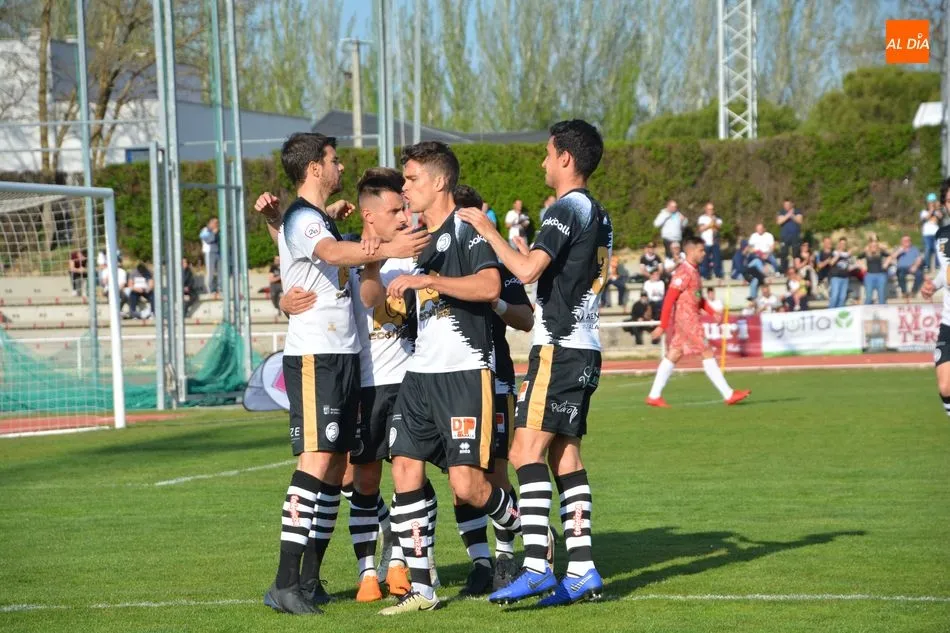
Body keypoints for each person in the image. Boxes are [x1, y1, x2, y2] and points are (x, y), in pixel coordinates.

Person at [254, 132, 428, 616]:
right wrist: (390, 247)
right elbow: (330, 255)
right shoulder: (304, 217)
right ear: (314, 167)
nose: (341, 168)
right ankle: (284, 582)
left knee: (333, 467)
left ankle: (308, 579)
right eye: (333, 161)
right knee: (314, 463)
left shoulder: (315, 221)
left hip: (343, 357)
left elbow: (317, 256)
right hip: (316, 357)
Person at [458, 119, 612, 607]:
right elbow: (563, 273)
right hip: (585, 344)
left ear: (566, 158)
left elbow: (525, 273)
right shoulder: (599, 212)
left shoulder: (566, 207)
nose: (543, 162)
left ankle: (536, 565)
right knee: (565, 455)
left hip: (560, 348)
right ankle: (583, 569)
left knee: (524, 452)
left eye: (547, 154)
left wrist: (487, 229)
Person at [380, 141, 521, 615]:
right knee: (404, 468)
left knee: (468, 487)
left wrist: (430, 282)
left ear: (440, 181)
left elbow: (490, 287)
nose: (406, 187)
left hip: (465, 373)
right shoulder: (419, 239)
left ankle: (528, 532)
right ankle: (423, 591)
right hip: (420, 374)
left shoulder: (467, 226)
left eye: (413, 178)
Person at [453, 183, 536, 594]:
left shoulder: (495, 262)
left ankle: (505, 558)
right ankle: (479, 564)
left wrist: (496, 304)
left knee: (496, 471)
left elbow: (526, 318)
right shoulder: (436, 256)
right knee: (461, 474)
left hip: (496, 377)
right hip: (450, 381)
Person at [646, 237, 751, 408]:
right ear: (691, 251)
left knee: (675, 353)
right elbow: (669, 298)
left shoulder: (694, 271)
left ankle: (654, 395)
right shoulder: (684, 272)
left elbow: (697, 298)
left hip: (688, 319)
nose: (704, 253)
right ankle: (728, 393)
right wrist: (663, 325)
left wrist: (711, 311)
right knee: (706, 351)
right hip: (688, 320)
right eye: (701, 250)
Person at [919, 215, 950, 418]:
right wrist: (934, 285)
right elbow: (945, 273)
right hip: (949, 321)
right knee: (946, 386)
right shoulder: (943, 235)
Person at [776, 198, 803, 275]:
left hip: (795, 236)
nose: (786, 206)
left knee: (796, 253)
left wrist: (792, 215)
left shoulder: (797, 211)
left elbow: (800, 221)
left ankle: (796, 271)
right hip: (785, 236)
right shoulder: (781, 212)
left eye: (788, 204)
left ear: (792, 204)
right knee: (784, 253)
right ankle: (783, 271)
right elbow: (779, 222)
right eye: (785, 204)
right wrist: (788, 215)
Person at [697, 202, 723, 280]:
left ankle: (718, 274)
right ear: (706, 210)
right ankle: (706, 274)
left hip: (715, 241)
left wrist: (714, 222)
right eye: (709, 209)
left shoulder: (717, 218)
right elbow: (701, 229)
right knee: (705, 259)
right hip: (705, 242)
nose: (711, 211)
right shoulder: (702, 218)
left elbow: (718, 228)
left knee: (717, 259)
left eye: (712, 209)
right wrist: (710, 224)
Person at [894, 234, 924, 302]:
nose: (907, 242)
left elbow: (919, 259)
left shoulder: (914, 249)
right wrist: (899, 251)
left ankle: (913, 292)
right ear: (901, 242)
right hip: (901, 268)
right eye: (905, 240)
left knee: (920, 274)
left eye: (908, 240)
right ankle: (904, 292)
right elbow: (892, 257)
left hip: (912, 267)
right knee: (900, 274)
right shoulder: (898, 248)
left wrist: (915, 266)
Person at [861, 238, 890, 305]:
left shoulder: (881, 252)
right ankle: (866, 312)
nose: (873, 247)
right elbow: (858, 258)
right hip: (869, 276)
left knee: (881, 296)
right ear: (869, 246)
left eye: (875, 245)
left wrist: (886, 263)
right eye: (872, 245)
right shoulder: (866, 252)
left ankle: (882, 312)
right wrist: (862, 265)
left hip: (881, 275)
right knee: (868, 297)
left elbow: (890, 256)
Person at [827, 238, 854, 308]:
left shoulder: (847, 254)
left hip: (845, 278)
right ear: (838, 244)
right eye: (841, 244)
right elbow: (831, 263)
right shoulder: (834, 252)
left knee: (842, 298)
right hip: (836, 277)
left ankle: (839, 315)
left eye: (844, 244)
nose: (843, 245)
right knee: (834, 297)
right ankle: (830, 313)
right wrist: (838, 254)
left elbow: (850, 266)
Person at [921, 193, 941, 271]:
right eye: (930, 202)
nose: (932, 203)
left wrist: (937, 208)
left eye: (933, 202)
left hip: (936, 233)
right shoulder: (924, 211)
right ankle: (926, 265)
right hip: (927, 234)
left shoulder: (937, 211)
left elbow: (939, 217)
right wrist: (931, 210)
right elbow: (925, 218)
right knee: (928, 249)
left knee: (937, 249)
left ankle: (938, 265)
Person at [199, 217, 220, 295]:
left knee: (220, 271)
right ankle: (209, 289)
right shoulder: (205, 230)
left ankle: (219, 288)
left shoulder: (217, 230)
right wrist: (213, 233)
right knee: (210, 271)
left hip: (217, 252)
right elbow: (205, 238)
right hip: (209, 252)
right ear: (210, 223)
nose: (216, 225)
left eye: (217, 223)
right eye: (215, 223)